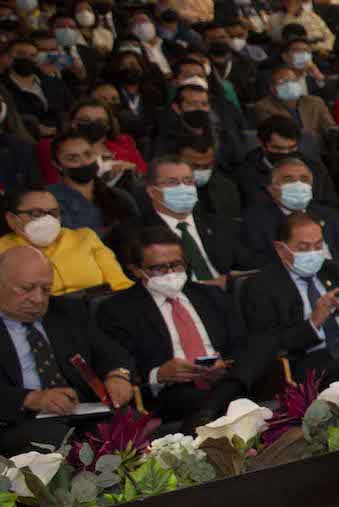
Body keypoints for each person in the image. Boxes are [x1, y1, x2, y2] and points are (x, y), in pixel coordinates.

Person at [97, 227, 265, 428]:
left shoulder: (211, 295)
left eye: (176, 265)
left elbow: (240, 344)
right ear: (136, 270)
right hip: (173, 391)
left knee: (261, 345)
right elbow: (121, 361)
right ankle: (212, 409)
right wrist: (158, 374)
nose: (170, 273)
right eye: (159, 268)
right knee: (202, 396)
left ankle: (208, 411)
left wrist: (225, 364)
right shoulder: (118, 310)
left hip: (225, 379)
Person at [0, 245, 135, 455]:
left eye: (46, 289)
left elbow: (111, 352)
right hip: (16, 421)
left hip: (79, 411)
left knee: (131, 425)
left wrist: (118, 375)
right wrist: (31, 399)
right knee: (58, 438)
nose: (38, 299)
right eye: (26, 289)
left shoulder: (66, 311)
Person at [238, 210, 339, 383]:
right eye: (303, 248)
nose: (313, 253)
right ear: (281, 249)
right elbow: (269, 344)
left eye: (318, 246)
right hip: (312, 359)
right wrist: (314, 322)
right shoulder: (261, 286)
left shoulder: (334, 269)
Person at [0, 185, 130, 295]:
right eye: (36, 214)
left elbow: (120, 284)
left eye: (54, 213)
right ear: (12, 219)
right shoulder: (3, 251)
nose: (48, 220)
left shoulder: (85, 237)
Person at [136, 153, 238, 286]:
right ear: (152, 191)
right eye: (172, 182)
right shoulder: (136, 233)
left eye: (188, 181)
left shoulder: (220, 224)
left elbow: (248, 266)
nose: (183, 188)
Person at [239, 155, 339, 271]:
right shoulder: (255, 221)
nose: (298, 185)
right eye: (288, 180)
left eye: (304, 179)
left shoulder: (329, 215)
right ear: (272, 190)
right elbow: (260, 266)